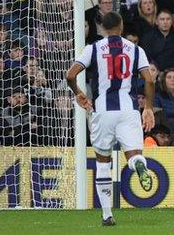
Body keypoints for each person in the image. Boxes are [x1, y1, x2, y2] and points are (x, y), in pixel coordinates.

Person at [65, 12, 154, 226]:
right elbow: (149, 80)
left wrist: (78, 92)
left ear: (102, 28)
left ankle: (107, 215)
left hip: (102, 110)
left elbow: (70, 75)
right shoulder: (135, 49)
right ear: (122, 26)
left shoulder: (93, 48)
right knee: (133, 155)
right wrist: (148, 108)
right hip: (128, 109)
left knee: (103, 163)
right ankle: (138, 165)